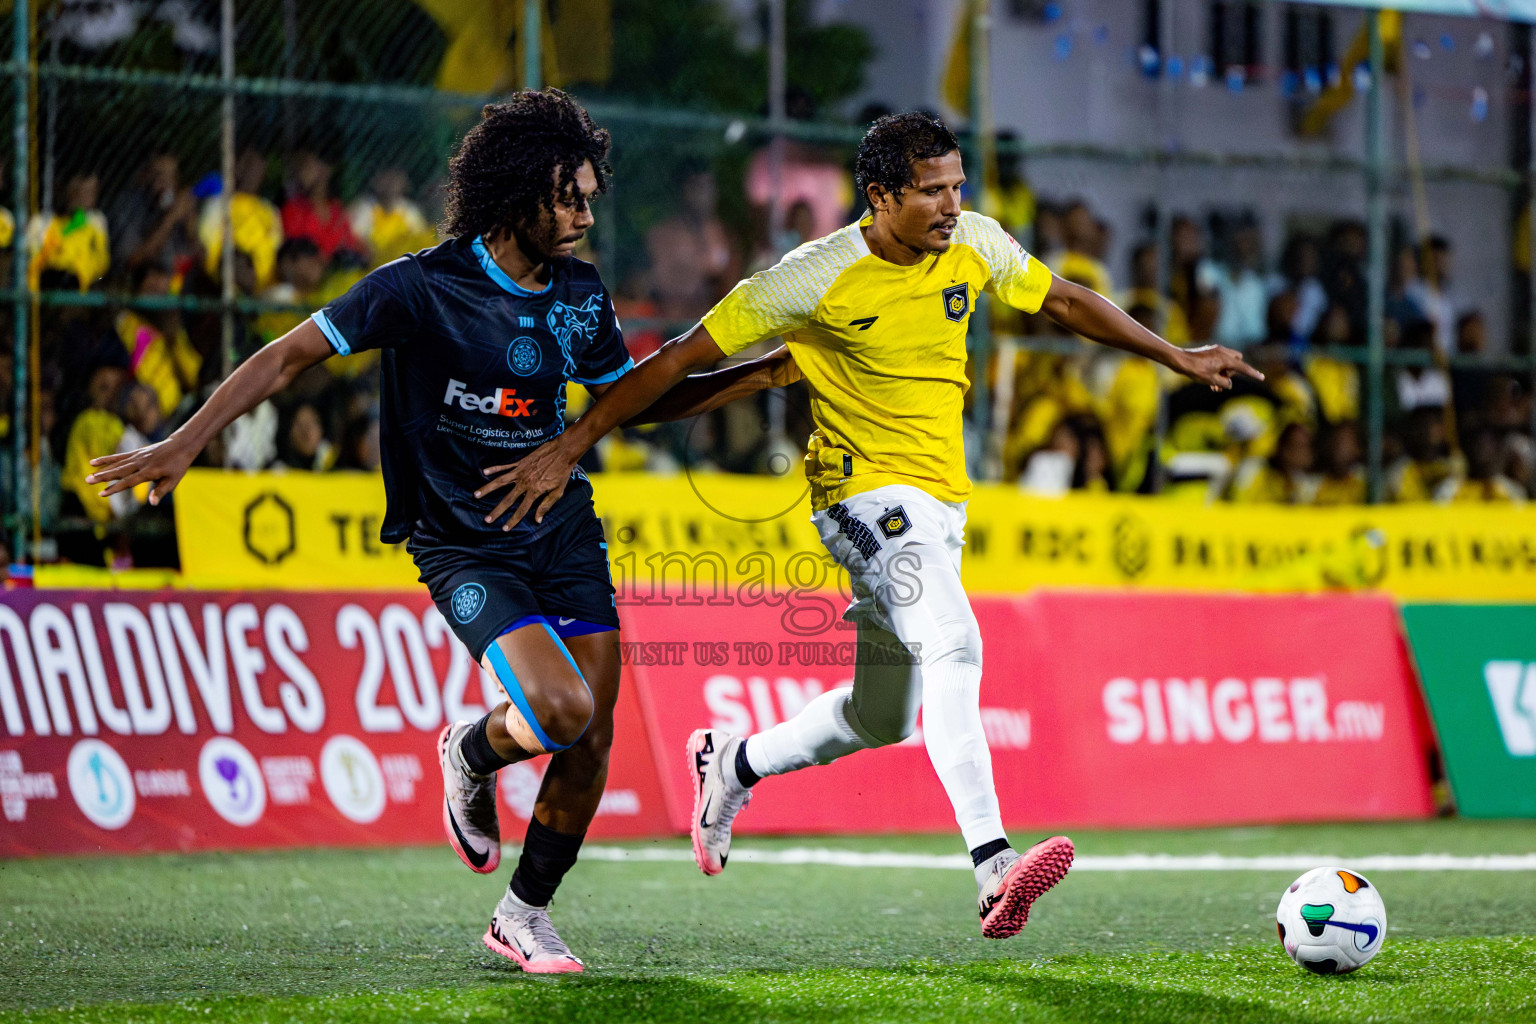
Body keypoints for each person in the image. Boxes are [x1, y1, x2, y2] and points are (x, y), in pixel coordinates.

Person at [481, 112, 1260, 939]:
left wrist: (1175, 355)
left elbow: (1063, 299)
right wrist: (571, 444)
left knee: (882, 716)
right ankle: (994, 865)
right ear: (881, 196)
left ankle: (732, 763)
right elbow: (680, 359)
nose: (952, 205)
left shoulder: (976, 243)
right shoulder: (811, 276)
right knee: (955, 640)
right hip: (859, 501)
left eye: (958, 186)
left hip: (940, 502)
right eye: (932, 191)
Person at [85, 89, 792, 973]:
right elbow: (287, 355)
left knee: (594, 736)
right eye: (567, 196)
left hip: (562, 529)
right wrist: (185, 441)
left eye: (588, 196)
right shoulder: (420, 286)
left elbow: (631, 396)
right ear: (515, 194)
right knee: (561, 711)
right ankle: (469, 749)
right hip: (461, 540)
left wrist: (753, 378)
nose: (583, 214)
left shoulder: (577, 291)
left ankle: (521, 916)